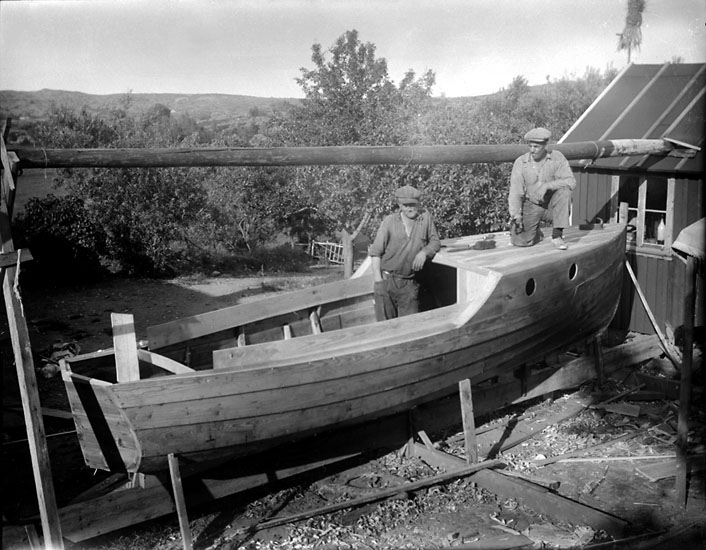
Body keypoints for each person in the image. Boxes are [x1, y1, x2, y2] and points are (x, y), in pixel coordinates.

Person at [369, 185, 441, 321]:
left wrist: (424, 252)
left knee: (410, 325)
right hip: (387, 281)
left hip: (409, 283)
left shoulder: (425, 217)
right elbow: (376, 253)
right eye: (405, 205)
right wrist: (379, 283)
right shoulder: (389, 221)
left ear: (418, 203)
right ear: (399, 205)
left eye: (413, 204)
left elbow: (435, 242)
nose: (409, 208)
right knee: (385, 326)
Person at [508, 127, 576, 250]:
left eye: (536, 147)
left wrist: (547, 186)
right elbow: (515, 192)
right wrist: (516, 214)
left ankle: (557, 236)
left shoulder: (557, 157)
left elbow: (571, 182)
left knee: (565, 192)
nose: (532, 150)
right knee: (521, 241)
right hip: (532, 204)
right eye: (530, 146)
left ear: (545, 146)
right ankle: (536, 233)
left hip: (551, 205)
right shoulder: (521, 162)